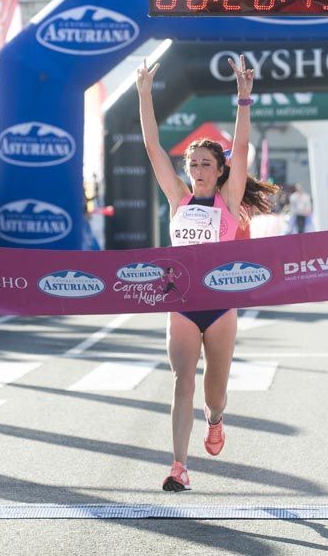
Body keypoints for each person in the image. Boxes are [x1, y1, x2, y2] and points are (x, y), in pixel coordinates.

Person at [137, 56, 277, 492]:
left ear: (220, 173)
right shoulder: (177, 198)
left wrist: (243, 98)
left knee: (213, 391)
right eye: (193, 164)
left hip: (219, 306)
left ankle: (215, 420)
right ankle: (179, 466)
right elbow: (152, 148)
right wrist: (144, 93)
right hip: (181, 303)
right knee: (182, 382)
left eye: (205, 165)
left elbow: (243, 145)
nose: (197, 171)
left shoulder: (229, 202)